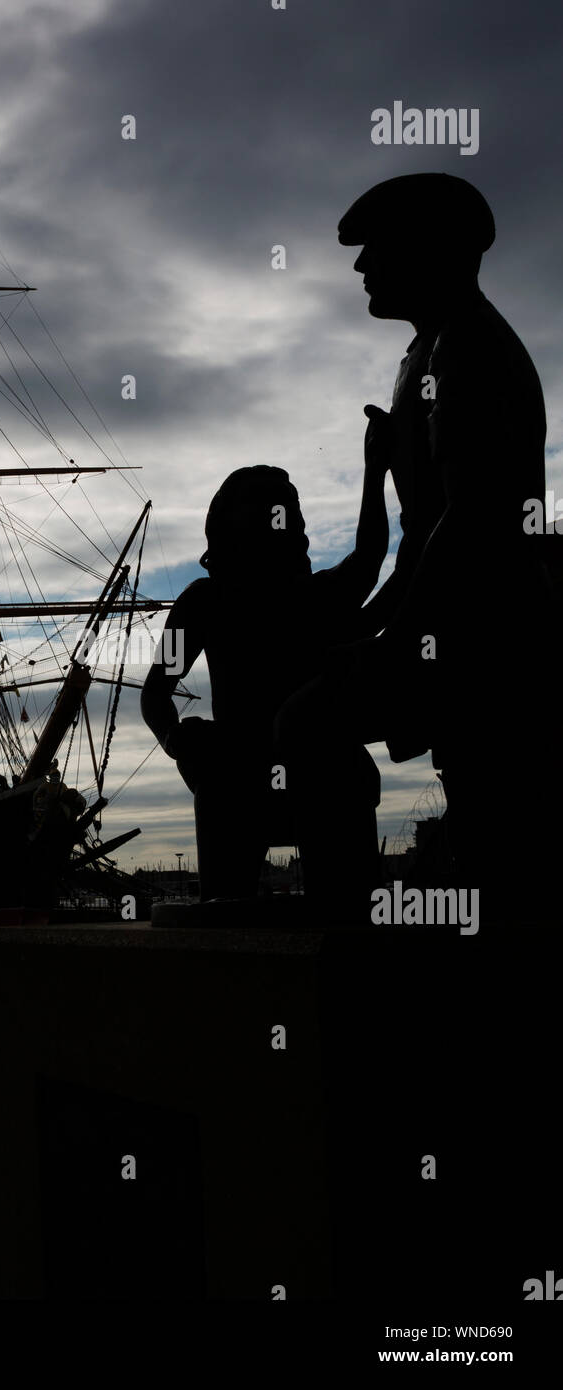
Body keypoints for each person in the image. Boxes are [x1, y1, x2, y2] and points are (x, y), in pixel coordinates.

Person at [275, 172, 554, 921]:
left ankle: (352, 939)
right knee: (494, 825)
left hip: (488, 631)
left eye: (377, 250)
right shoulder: (426, 355)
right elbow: (418, 539)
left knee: (314, 725)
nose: (362, 267)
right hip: (450, 623)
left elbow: (471, 524)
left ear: (430, 251)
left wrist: (392, 640)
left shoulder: (470, 352)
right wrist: (365, 630)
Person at [141, 428, 390, 904]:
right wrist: (177, 741)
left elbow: (368, 561)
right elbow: (157, 691)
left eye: (293, 516)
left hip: (315, 767)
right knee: (225, 904)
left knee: (344, 906)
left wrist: (375, 473)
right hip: (233, 768)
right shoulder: (204, 603)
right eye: (281, 516)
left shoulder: (308, 597)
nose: (294, 527)